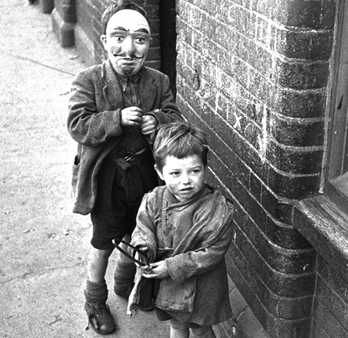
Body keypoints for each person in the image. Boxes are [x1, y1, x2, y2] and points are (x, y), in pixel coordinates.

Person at [66, 0, 183, 334]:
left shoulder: (158, 81)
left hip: (144, 173)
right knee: (103, 240)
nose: (129, 48)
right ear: (104, 41)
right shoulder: (88, 80)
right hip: (106, 177)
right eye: (119, 36)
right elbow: (78, 123)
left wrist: (157, 121)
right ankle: (94, 299)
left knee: (141, 230)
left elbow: (174, 118)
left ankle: (124, 281)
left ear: (149, 45)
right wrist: (115, 119)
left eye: (140, 39)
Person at [127, 122, 234, 338]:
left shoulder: (217, 208)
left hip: (203, 285)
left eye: (194, 171)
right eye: (175, 173)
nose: (186, 181)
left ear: (205, 167)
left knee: (202, 329)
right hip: (170, 286)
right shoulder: (154, 200)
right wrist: (143, 250)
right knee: (176, 326)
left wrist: (171, 267)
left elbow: (212, 252)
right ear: (160, 171)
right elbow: (143, 231)